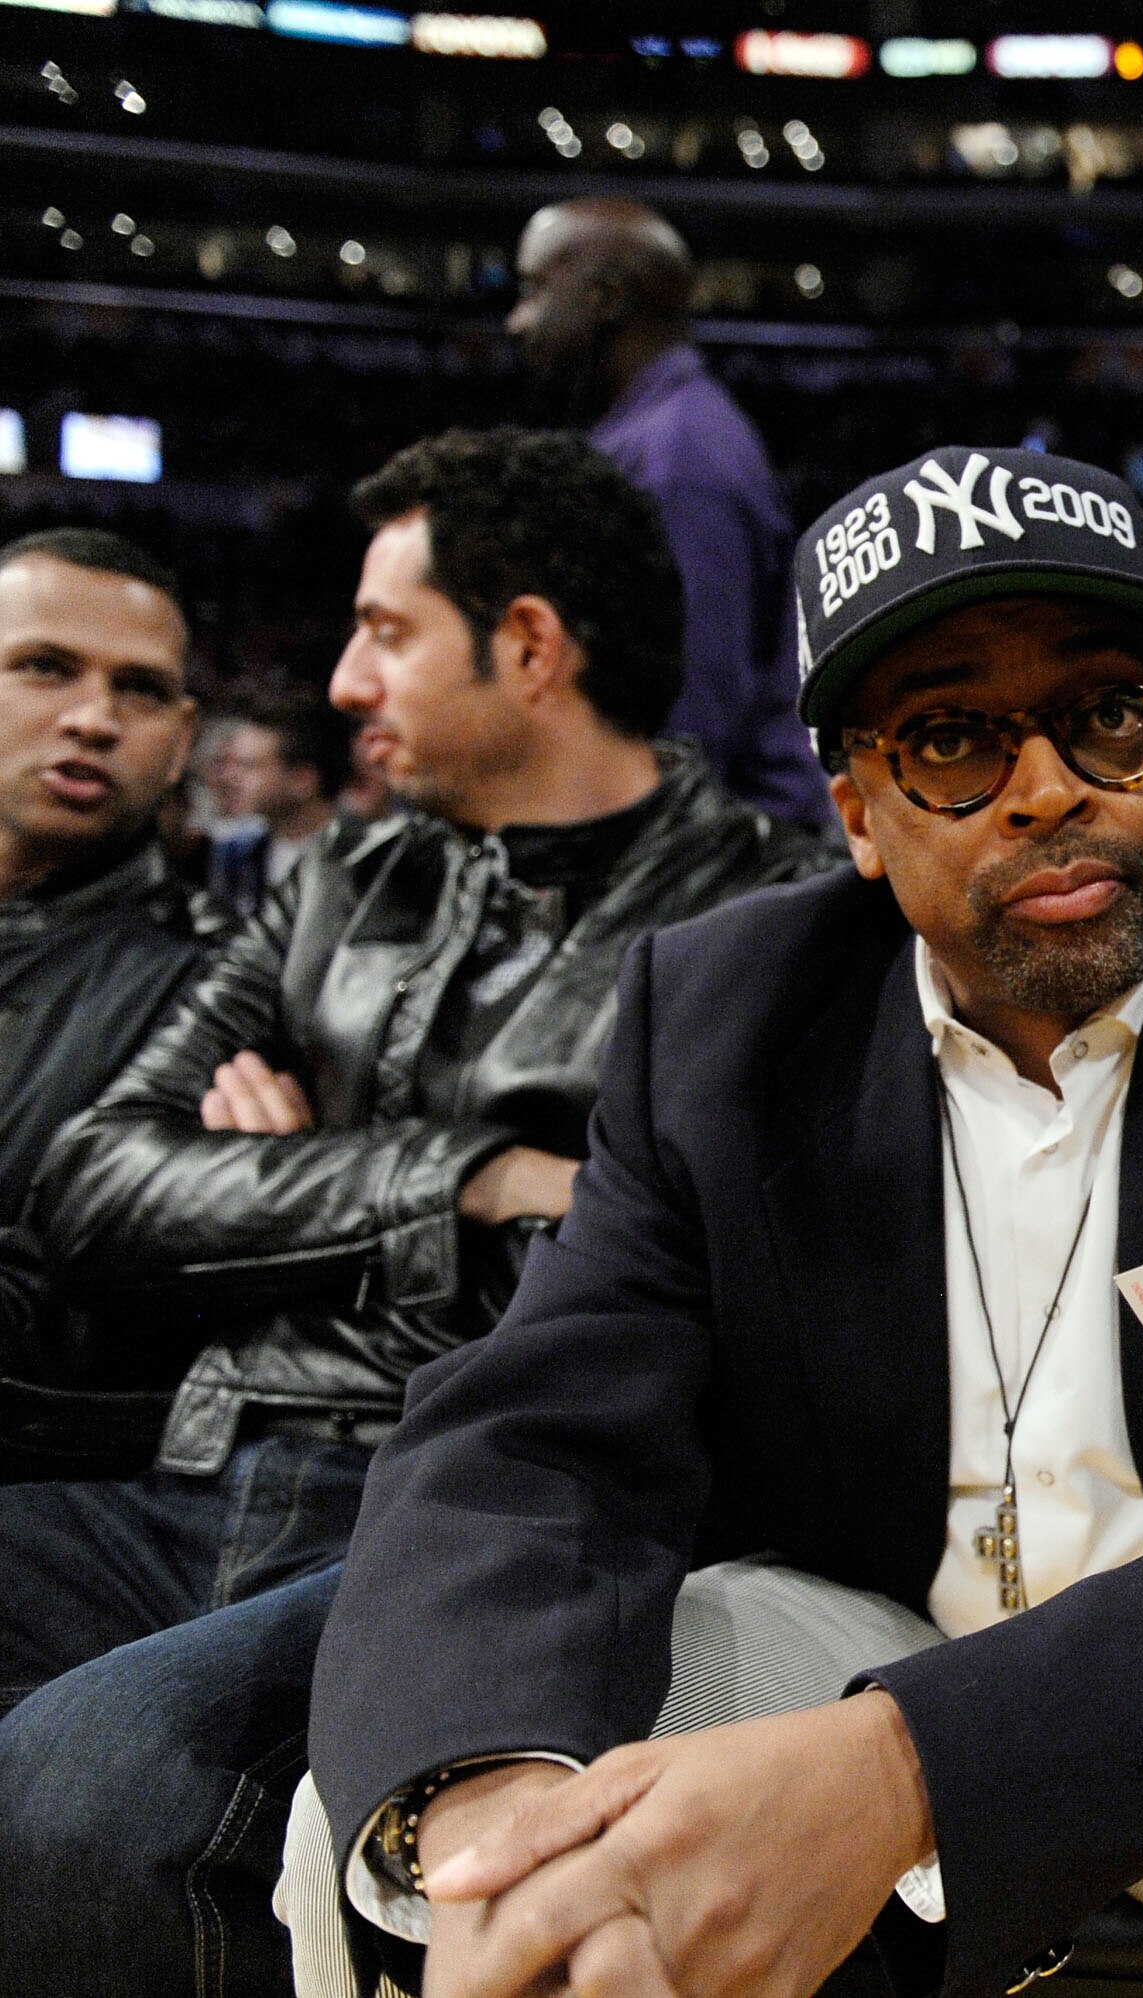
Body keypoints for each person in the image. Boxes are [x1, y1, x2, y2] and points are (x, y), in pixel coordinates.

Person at [291, 446, 1143, 1998]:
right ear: (860, 813)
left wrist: (911, 1767)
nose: (1047, 786)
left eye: (1107, 715)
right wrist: (498, 1806)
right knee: (423, 1837)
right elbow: (538, 1431)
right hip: (868, 1626)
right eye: (952, 738)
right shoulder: (721, 1017)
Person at [0, 429, 835, 1998]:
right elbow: (97, 1179)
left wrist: (286, 1189)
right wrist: (468, 1179)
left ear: (526, 646)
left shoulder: (764, 916)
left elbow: (695, 1296)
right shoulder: (336, 884)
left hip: (455, 1495)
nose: (338, 683)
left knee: (83, 1800)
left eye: (383, 631)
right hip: (197, 1458)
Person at [0, 529, 227, 1474]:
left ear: (179, 744)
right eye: (46, 668)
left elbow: (79, 1322)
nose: (94, 718)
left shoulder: (220, 989)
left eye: (138, 689)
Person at [509, 196, 828, 824]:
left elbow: (691, 717)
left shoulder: (680, 458)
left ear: (605, 298)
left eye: (535, 289)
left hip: (710, 861)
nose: (518, 320)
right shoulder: (646, 437)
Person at [205, 690, 352, 914]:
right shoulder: (235, 853)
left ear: (303, 780)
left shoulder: (361, 857)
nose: (229, 778)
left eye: (248, 766)